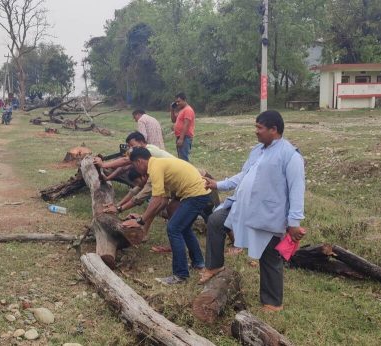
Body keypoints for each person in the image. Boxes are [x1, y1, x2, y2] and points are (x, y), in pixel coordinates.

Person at [200, 110, 305, 312]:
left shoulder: (290, 156)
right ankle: (214, 265)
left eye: (260, 127)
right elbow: (244, 175)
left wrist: (294, 223)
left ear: (273, 130)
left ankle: (273, 303)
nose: (256, 131)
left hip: (268, 213)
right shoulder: (257, 150)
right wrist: (218, 184)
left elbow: (297, 189)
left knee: (269, 255)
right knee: (215, 221)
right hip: (242, 206)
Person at [122, 147, 211, 285]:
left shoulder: (155, 167)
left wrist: (140, 221)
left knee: (173, 229)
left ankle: (180, 275)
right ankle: (198, 263)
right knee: (184, 228)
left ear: (139, 161)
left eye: (134, 165)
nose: (136, 169)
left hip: (196, 195)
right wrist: (142, 218)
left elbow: (157, 199)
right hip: (199, 194)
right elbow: (163, 199)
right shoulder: (160, 164)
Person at [171, 92, 195, 161]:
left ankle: (187, 171)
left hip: (185, 137)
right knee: (181, 159)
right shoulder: (181, 110)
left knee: (184, 159)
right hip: (180, 137)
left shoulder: (188, 110)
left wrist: (181, 139)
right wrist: (172, 109)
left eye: (179, 101)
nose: (177, 103)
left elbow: (186, 124)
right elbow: (173, 120)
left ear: (184, 100)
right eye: (176, 102)